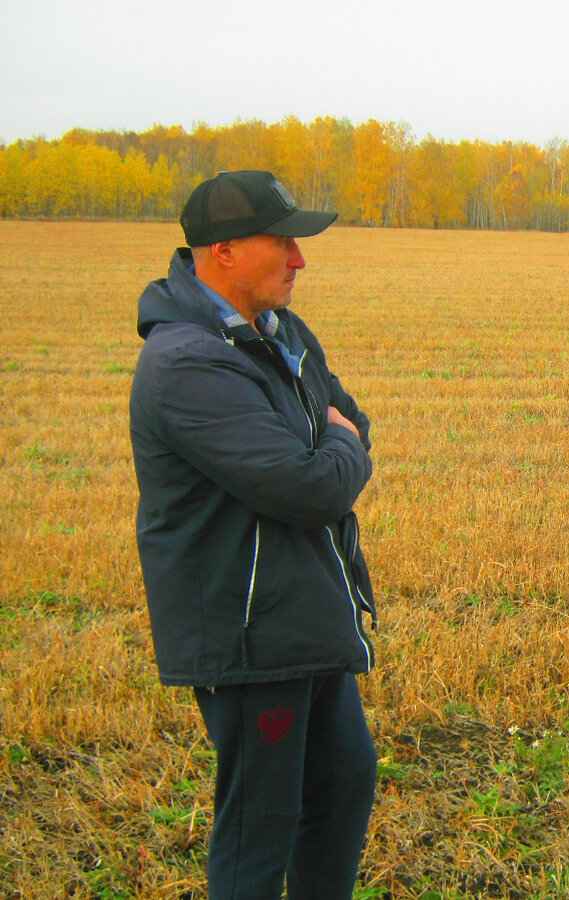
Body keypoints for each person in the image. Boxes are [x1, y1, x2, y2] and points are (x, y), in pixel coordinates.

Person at [129, 170, 378, 898]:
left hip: (302, 612)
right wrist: (336, 448)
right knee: (259, 824)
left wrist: (336, 445)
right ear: (224, 251)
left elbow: (349, 423)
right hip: (246, 633)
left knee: (343, 783)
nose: (300, 260)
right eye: (284, 242)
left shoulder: (281, 333)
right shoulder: (185, 364)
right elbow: (308, 487)